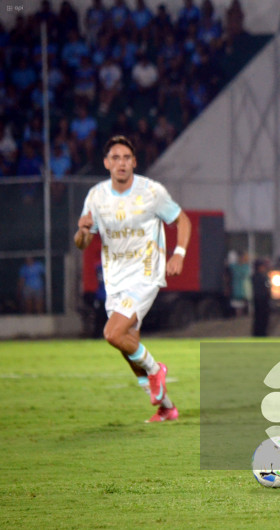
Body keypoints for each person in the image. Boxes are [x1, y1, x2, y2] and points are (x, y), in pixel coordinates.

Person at [74, 135, 191, 423]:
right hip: (115, 280)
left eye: (126, 157)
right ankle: (167, 408)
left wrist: (179, 253)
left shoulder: (151, 191)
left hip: (146, 274)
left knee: (112, 334)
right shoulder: (96, 196)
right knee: (128, 348)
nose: (121, 163)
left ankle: (156, 370)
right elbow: (82, 242)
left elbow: (182, 220)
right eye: (115, 158)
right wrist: (82, 231)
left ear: (134, 162)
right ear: (106, 163)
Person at [251, 258, 271, 336]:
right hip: (262, 300)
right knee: (262, 319)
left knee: (258, 319)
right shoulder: (262, 277)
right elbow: (267, 287)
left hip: (257, 299)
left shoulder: (254, 277)